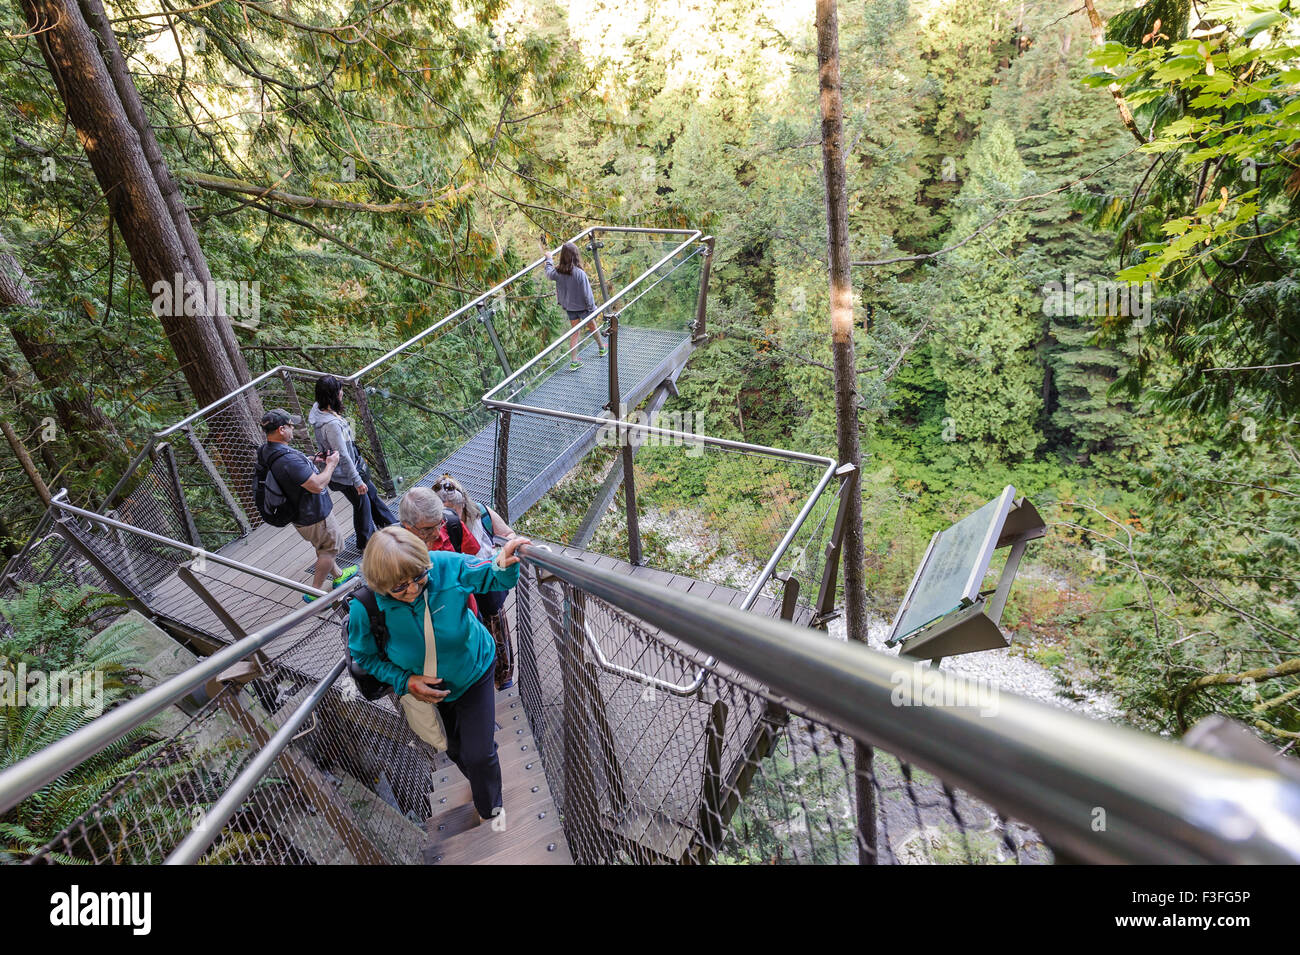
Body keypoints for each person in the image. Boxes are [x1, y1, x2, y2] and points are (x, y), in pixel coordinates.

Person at [348, 525, 530, 823]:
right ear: (381, 585)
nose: (413, 589)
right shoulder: (365, 607)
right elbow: (364, 656)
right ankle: (482, 766)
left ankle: (491, 811)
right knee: (455, 750)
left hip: (473, 670)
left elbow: (490, 574)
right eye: (399, 587)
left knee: (478, 755)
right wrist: (405, 681)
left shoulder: (444, 566)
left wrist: (505, 562)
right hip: (429, 691)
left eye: (419, 577)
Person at [432, 474, 517, 689]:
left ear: (464, 504)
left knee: (495, 628)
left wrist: (502, 553)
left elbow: (507, 534)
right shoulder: (432, 526)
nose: (451, 511)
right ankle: (482, 681)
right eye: (444, 507)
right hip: (460, 592)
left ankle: (503, 678)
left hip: (487, 584)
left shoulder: (481, 514)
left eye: (454, 506)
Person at [259, 409, 355, 596]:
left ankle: (339, 575)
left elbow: (290, 474)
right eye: (290, 426)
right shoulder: (288, 460)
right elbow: (317, 485)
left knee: (323, 546)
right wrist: (331, 464)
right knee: (329, 549)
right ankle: (314, 592)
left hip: (300, 515)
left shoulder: (267, 450)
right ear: (281, 429)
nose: (293, 429)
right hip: (315, 515)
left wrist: (309, 461)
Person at [308, 375, 397, 553]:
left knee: (370, 492)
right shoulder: (331, 424)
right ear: (333, 395)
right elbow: (343, 455)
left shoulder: (318, 410)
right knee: (362, 502)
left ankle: (391, 524)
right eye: (339, 390)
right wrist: (356, 480)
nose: (342, 393)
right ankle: (367, 543)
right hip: (345, 473)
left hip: (347, 469)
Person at [398, 486, 479, 619]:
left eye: (439, 523)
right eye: (428, 529)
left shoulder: (451, 524)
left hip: (467, 611)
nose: (437, 533)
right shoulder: (396, 550)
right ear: (408, 526)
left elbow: (471, 559)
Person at [540, 236, 606, 371]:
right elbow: (588, 294)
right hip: (584, 308)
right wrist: (592, 309)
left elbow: (548, 273)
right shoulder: (580, 273)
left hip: (570, 308)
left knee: (575, 332)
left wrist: (549, 259)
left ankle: (574, 361)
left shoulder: (558, 272)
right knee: (592, 326)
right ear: (576, 256)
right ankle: (601, 348)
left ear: (563, 256)